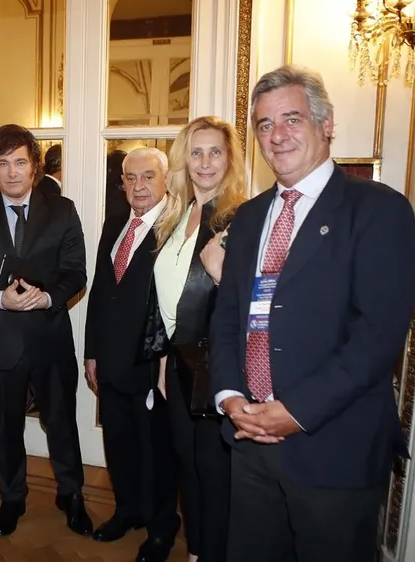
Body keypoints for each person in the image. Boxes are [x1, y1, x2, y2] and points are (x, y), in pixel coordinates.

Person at [210, 65, 415, 562]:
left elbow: (378, 335)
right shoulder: (250, 216)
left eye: (291, 119)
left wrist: (295, 413)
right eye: (264, 124)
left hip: (334, 447)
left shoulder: (377, 210)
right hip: (249, 438)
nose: (277, 135)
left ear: (326, 126)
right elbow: (228, 315)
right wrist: (230, 395)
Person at [0, 124, 92, 538]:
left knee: (62, 423)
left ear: (34, 166)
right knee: (7, 428)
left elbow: (75, 272)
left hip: (49, 339)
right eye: (2, 164)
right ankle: (12, 500)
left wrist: (47, 298)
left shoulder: (63, 210)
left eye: (19, 163)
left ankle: (73, 495)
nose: (11, 172)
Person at [144, 116, 249, 562]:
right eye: (196, 151)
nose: (205, 162)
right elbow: (166, 298)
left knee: (214, 472)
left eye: (215, 152)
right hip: (180, 364)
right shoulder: (177, 215)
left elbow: (252, 301)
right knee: (189, 467)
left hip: (218, 365)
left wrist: (223, 274)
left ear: (230, 160)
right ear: (184, 159)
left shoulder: (241, 217)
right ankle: (196, 552)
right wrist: (165, 360)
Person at [84, 147, 179, 562]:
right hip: (110, 360)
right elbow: (102, 291)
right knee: (119, 443)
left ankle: (161, 527)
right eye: (131, 178)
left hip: (150, 363)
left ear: (165, 180)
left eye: (148, 177)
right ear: (121, 183)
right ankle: (127, 510)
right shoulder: (115, 221)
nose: (139, 186)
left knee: (156, 451)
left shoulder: (178, 227)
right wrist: (91, 353)